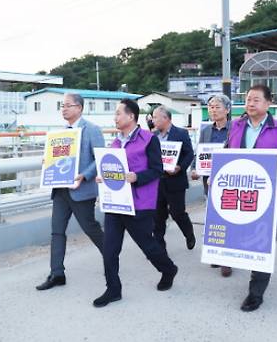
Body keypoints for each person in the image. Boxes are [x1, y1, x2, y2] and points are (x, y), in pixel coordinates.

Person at [93, 99, 178, 307]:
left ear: (131, 116)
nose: (115, 117)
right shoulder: (114, 143)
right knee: (110, 248)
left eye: (118, 114)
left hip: (139, 203)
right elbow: (113, 171)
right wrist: (103, 178)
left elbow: (157, 170)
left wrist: (136, 177)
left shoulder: (149, 139)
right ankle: (113, 289)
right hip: (115, 204)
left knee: (147, 246)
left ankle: (168, 269)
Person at [225, 84, 277, 312]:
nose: (250, 103)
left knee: (262, 242)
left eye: (256, 100)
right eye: (248, 99)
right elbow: (226, 153)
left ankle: (256, 292)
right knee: (237, 233)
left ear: (267, 103)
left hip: (267, 196)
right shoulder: (235, 126)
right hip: (238, 194)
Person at [36, 93, 106, 291]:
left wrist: (84, 175)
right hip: (60, 190)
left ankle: (110, 256)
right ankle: (57, 273)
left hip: (81, 189)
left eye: (68, 105)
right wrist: (49, 162)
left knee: (90, 227)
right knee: (57, 231)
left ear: (79, 108)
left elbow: (99, 158)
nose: (64, 109)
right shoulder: (60, 134)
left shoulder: (92, 130)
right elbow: (58, 160)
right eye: (62, 106)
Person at [190, 94, 232, 277]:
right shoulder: (206, 130)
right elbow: (199, 151)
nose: (213, 110)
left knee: (228, 219)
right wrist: (194, 168)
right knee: (213, 219)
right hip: (208, 181)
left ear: (227, 110)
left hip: (228, 181)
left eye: (217, 107)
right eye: (210, 107)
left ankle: (227, 259)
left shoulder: (236, 129)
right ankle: (216, 253)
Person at [152, 105, 196, 251]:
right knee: (158, 216)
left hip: (175, 180)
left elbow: (189, 154)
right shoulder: (153, 136)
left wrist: (180, 167)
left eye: (155, 117)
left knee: (177, 213)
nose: (153, 120)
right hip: (158, 181)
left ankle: (189, 234)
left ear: (165, 118)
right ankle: (159, 247)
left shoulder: (181, 133)